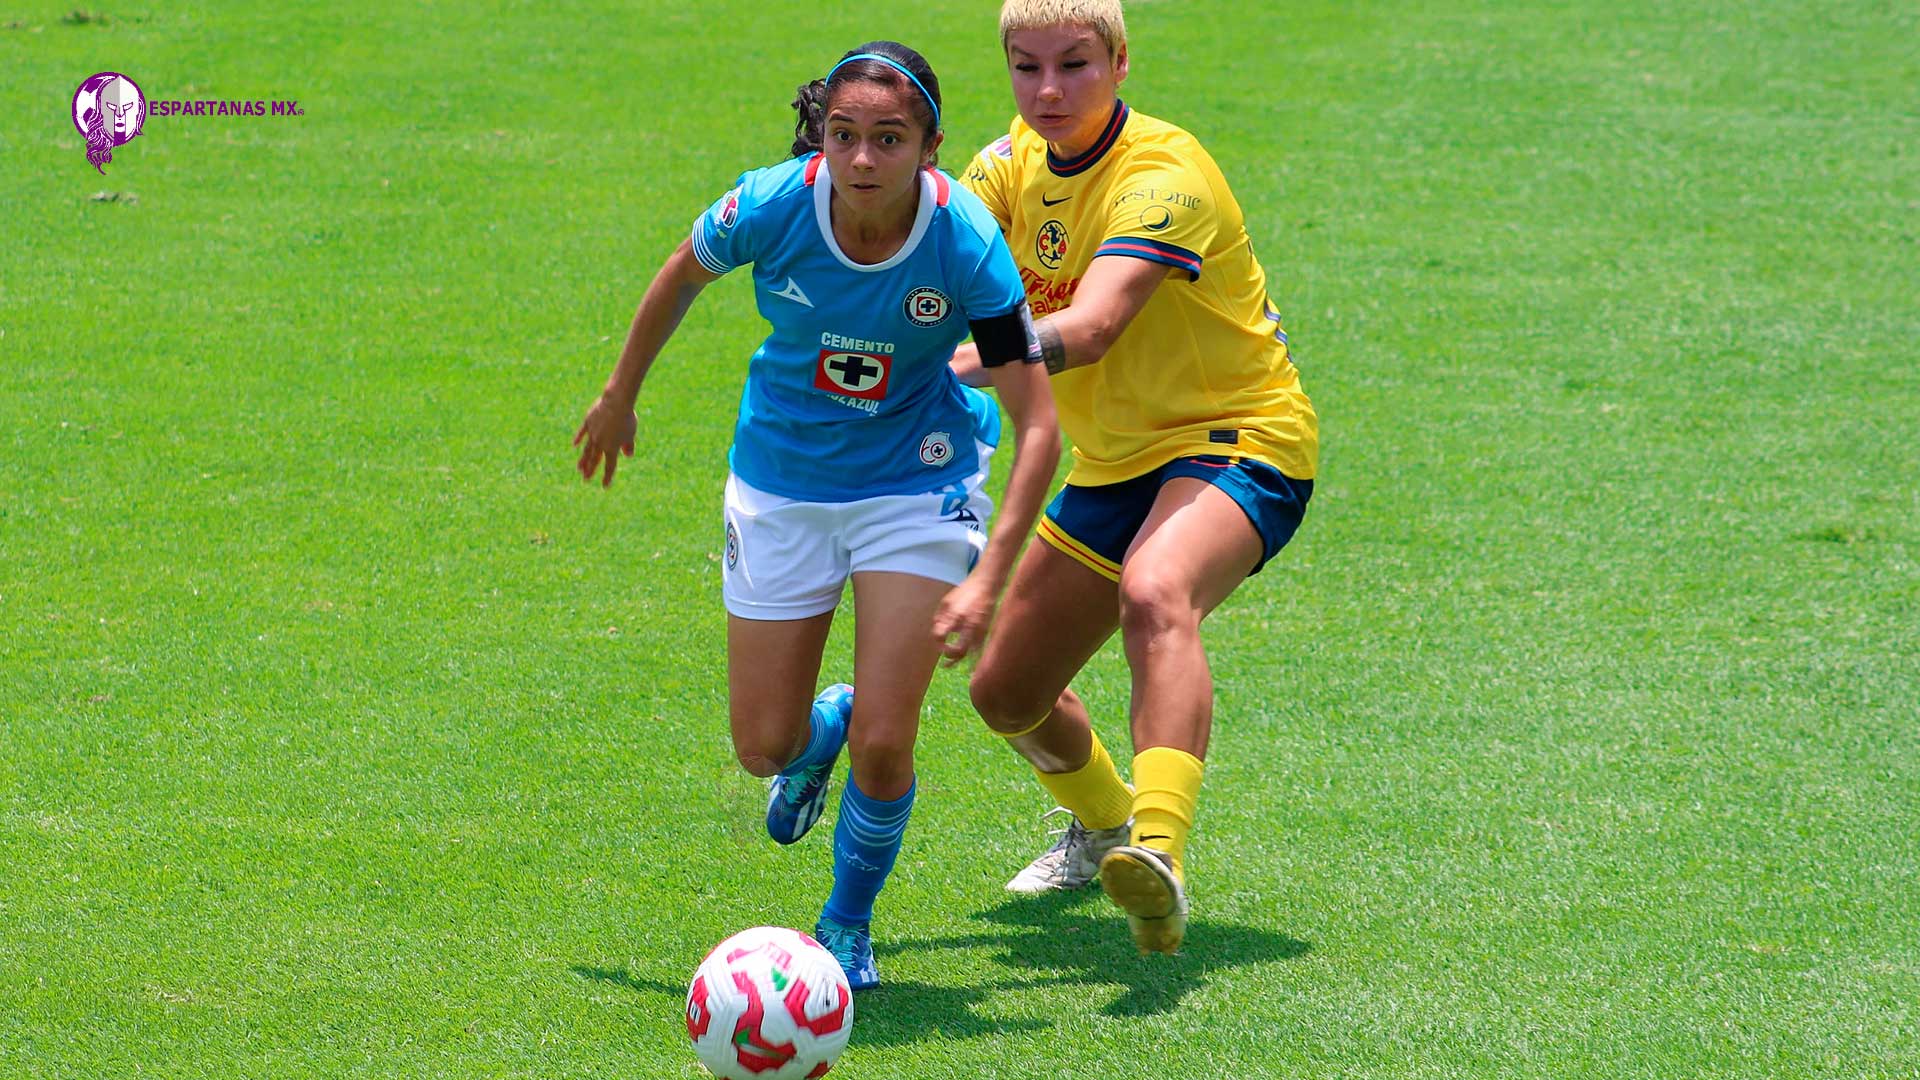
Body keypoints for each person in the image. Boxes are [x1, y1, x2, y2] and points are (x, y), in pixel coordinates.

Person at [573, 40, 1058, 989]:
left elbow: (1038, 424)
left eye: (888, 138)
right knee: (763, 746)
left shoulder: (966, 242)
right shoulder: (773, 203)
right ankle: (815, 735)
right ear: (821, 138)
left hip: (916, 483)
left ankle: (847, 923)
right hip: (782, 479)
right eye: (844, 136)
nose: (863, 160)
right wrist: (619, 393)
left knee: (891, 731)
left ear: (929, 146)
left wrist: (989, 577)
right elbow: (681, 272)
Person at [949, 0, 1319, 955]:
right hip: (1115, 462)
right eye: (1026, 68)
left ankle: (1158, 854)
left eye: (1075, 64)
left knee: (1158, 592)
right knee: (1007, 695)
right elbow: (923, 261)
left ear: (1120, 60)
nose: (1049, 91)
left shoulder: (1164, 173)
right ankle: (1105, 827)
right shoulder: (1006, 170)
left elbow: (1097, 322)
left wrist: (958, 363)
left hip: (1239, 440)